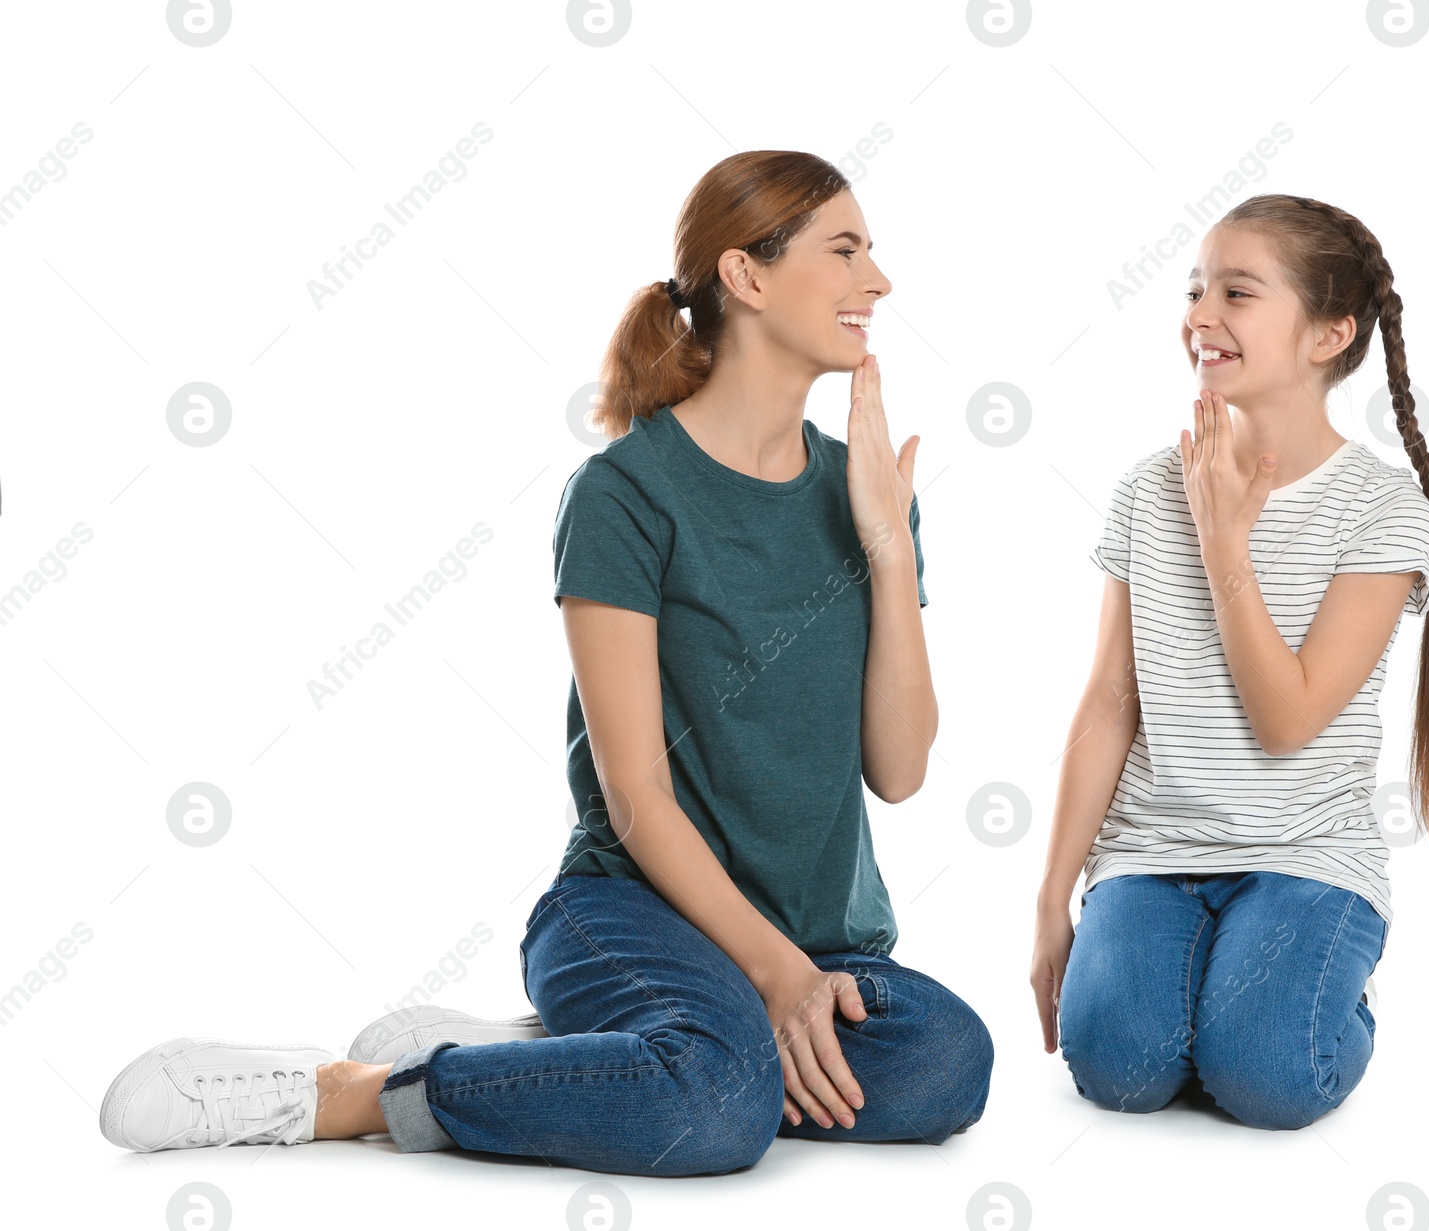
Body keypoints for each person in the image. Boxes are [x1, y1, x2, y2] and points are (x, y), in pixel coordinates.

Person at [99, 151, 993, 1174]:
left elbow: (901, 769)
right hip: (629, 913)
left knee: (947, 1062)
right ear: (746, 276)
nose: (877, 281)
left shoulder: (868, 490)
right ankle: (353, 1096)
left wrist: (886, 551)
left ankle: (611, 1056)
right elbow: (635, 796)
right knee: (717, 1108)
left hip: (814, 939)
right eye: (845, 251)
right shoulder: (625, 493)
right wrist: (776, 976)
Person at [1029, 194, 1429, 1130]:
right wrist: (1052, 896)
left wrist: (1227, 542)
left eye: (1237, 292)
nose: (1197, 317)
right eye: (1194, 291)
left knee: (1269, 1077)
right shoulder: (1150, 486)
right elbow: (1109, 702)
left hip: (1305, 857)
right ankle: (1204, 992)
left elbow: (1289, 719)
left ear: (1328, 334)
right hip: (1152, 850)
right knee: (1115, 1068)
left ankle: (1298, 987)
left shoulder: (1383, 511)